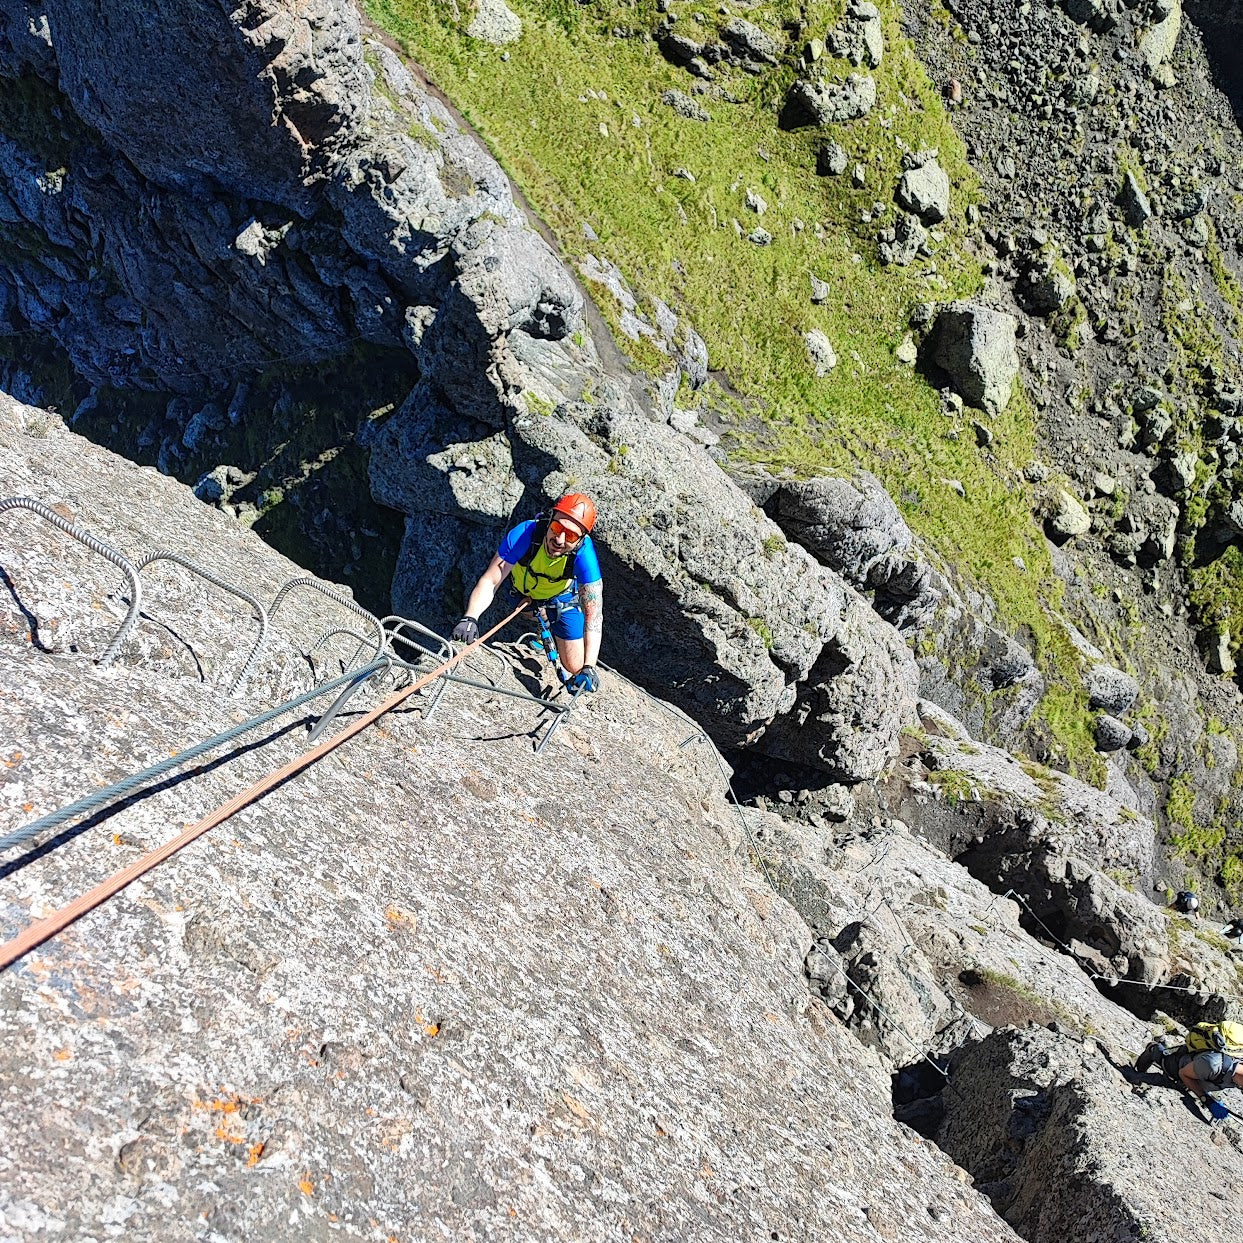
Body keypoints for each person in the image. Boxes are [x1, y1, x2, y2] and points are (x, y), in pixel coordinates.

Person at [451, 493, 604, 694]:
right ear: (550, 520)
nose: (560, 539)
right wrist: (470, 617)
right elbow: (491, 580)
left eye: (571, 535)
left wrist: (589, 667)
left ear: (581, 539)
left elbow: (593, 614)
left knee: (574, 666)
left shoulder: (585, 557)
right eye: (557, 527)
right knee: (529, 610)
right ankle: (542, 625)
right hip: (521, 594)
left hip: (560, 599)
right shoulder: (525, 534)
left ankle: (548, 628)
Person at [1134, 1030, 1243, 1123]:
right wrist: (1207, 1100)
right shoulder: (1214, 1065)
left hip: (1198, 1070)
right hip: (1179, 1067)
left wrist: (1211, 1098)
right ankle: (1154, 1047)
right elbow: (1183, 1074)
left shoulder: (1236, 1077)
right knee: (1164, 1062)